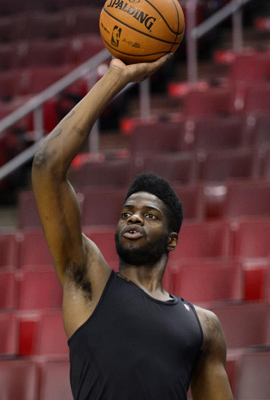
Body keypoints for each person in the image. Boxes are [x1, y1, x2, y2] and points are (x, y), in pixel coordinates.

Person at [32, 54, 233, 400]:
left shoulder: (204, 327)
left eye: (150, 215)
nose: (134, 218)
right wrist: (115, 77)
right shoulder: (89, 281)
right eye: (127, 213)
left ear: (172, 241)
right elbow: (46, 165)